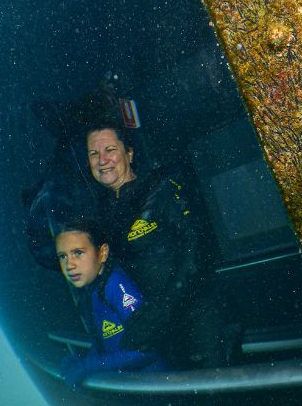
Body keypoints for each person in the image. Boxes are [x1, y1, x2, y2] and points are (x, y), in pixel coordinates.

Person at [85, 121, 237, 368]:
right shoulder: (100, 213)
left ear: (129, 153)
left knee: (218, 394)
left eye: (110, 150)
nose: (102, 160)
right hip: (156, 329)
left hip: (199, 318)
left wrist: (162, 308)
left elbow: (198, 248)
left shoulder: (161, 190)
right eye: (94, 153)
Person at [55, 219, 169, 389]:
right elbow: (107, 343)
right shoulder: (91, 290)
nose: (69, 265)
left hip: (156, 389)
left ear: (103, 253)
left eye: (78, 252)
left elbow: (146, 352)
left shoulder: (116, 285)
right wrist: (83, 360)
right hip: (130, 388)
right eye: (63, 256)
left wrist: (88, 366)